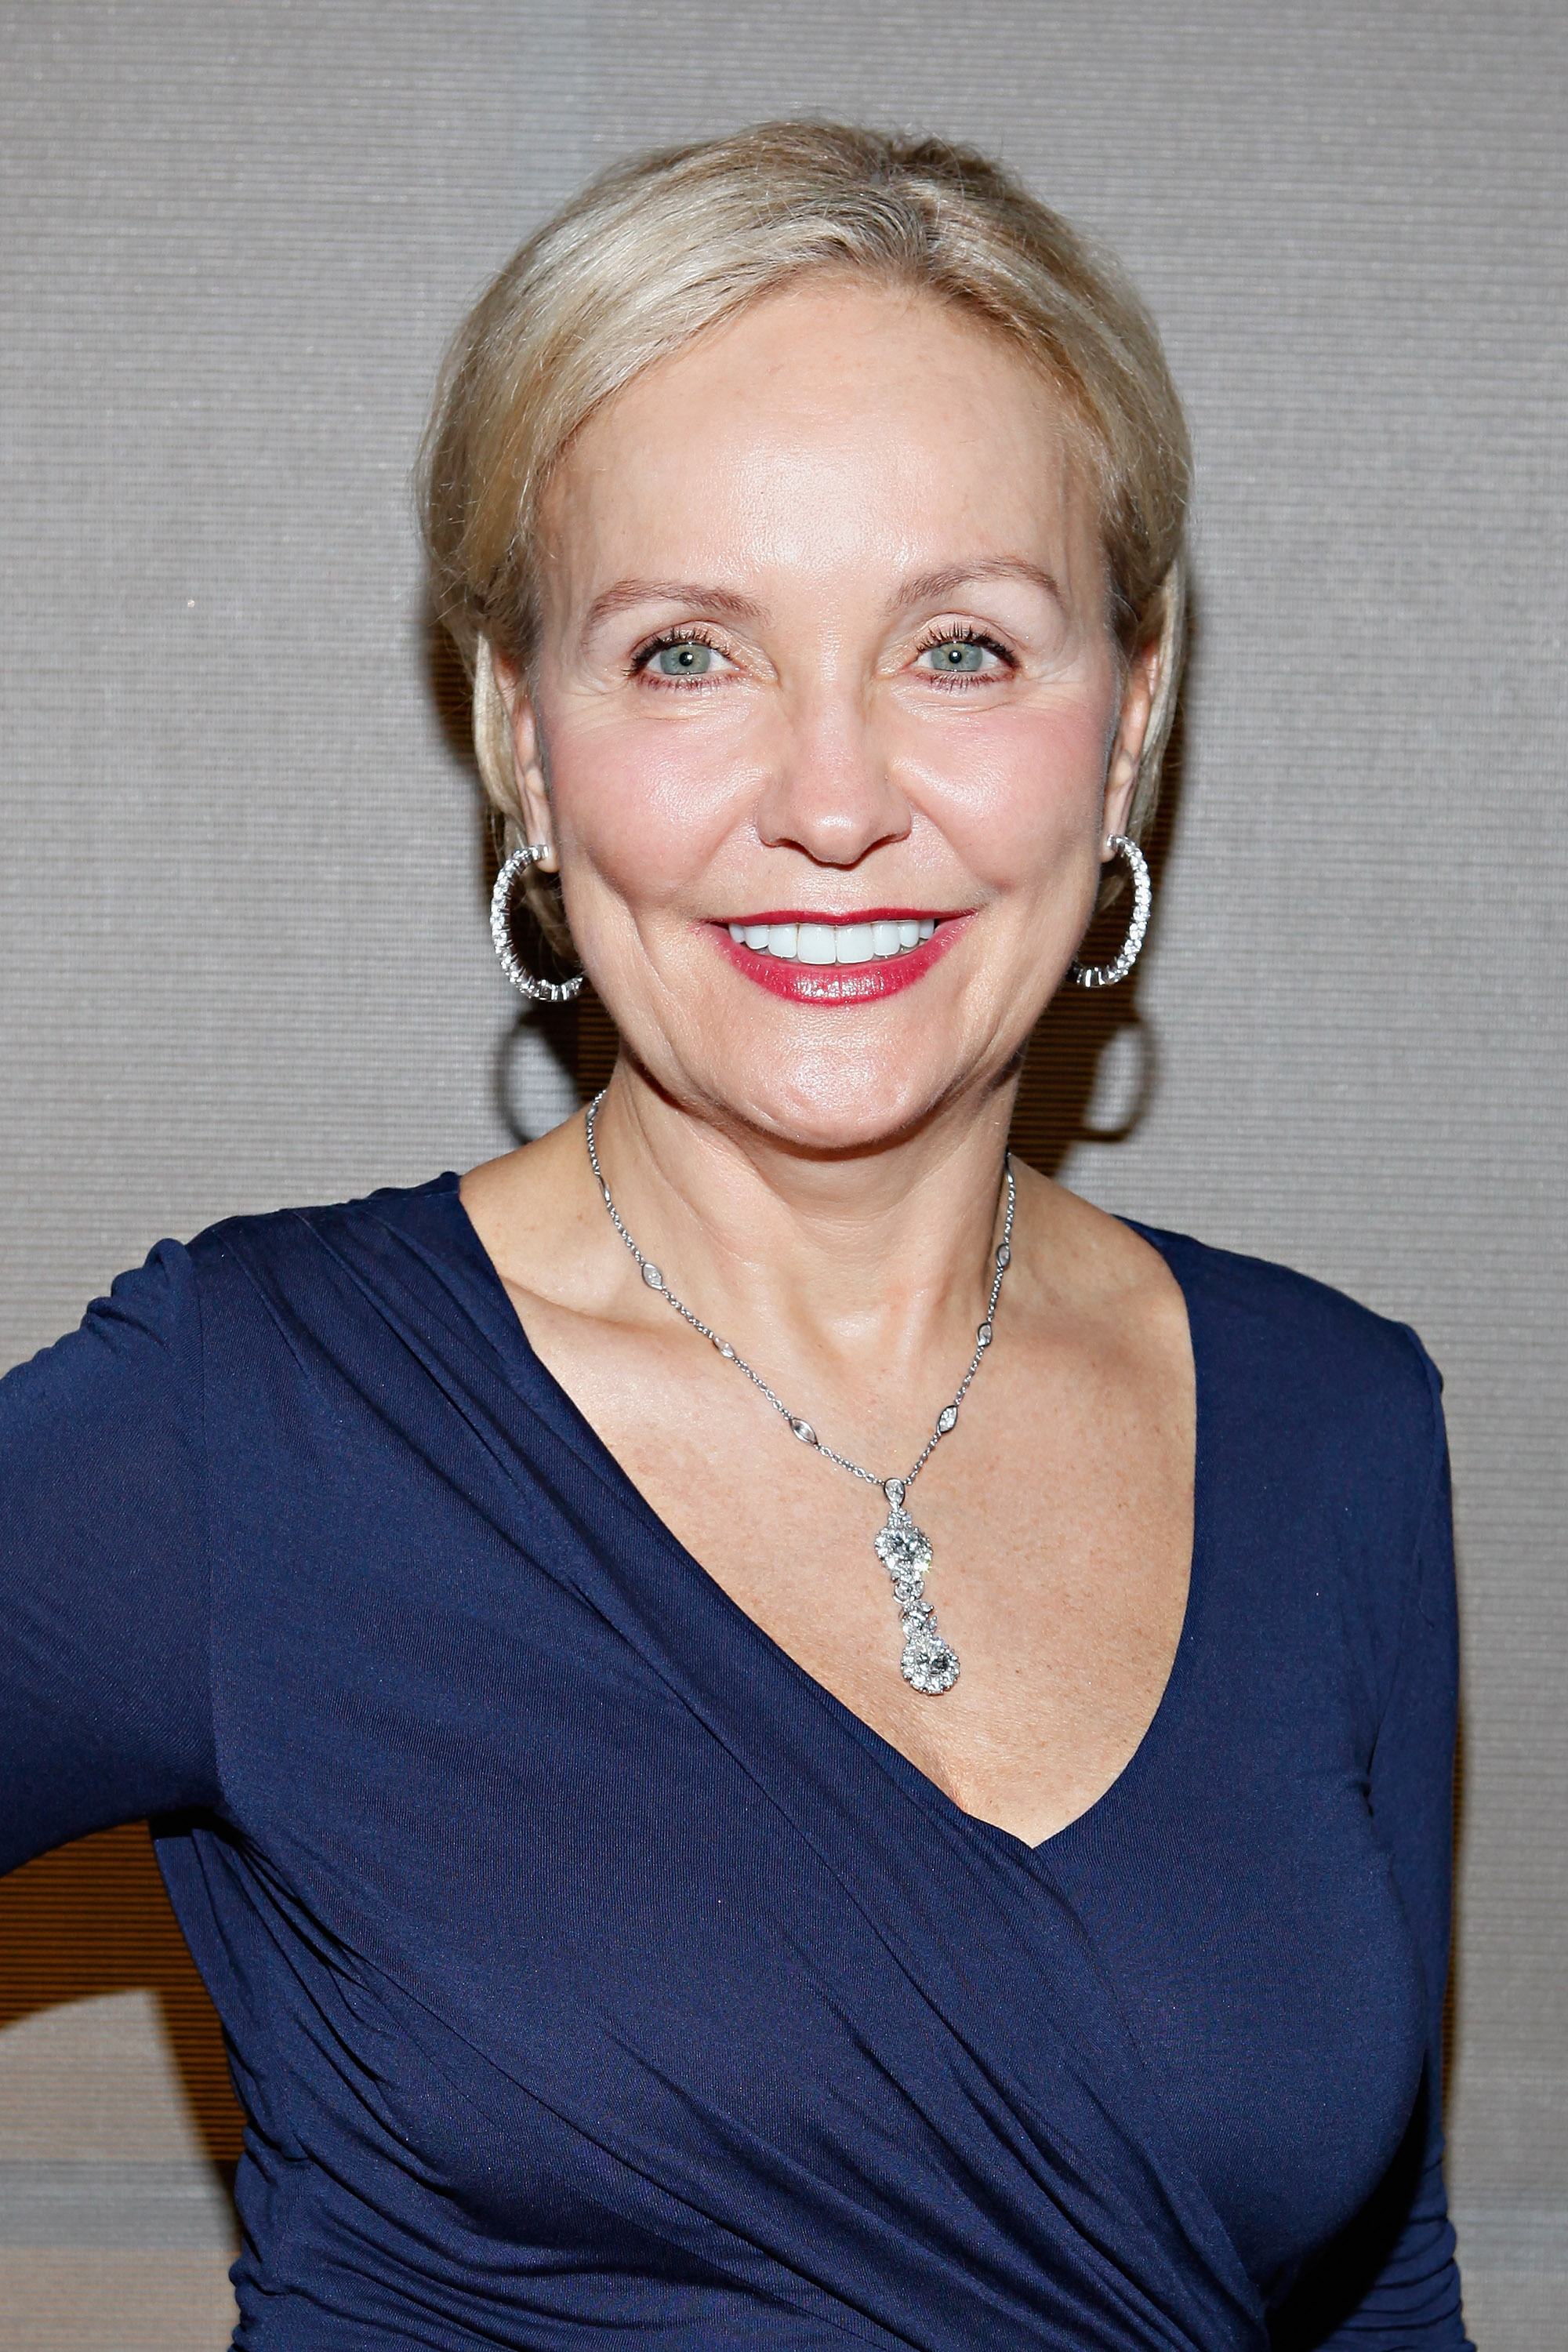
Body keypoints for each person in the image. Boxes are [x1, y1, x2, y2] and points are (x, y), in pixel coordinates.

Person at [1, 123, 1468, 2350]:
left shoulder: (1342, 1420)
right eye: (689, 653)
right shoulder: (252, 1423)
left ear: (1131, 718)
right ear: (523, 735)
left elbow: (1381, 2289)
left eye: (961, 648)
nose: (836, 798)